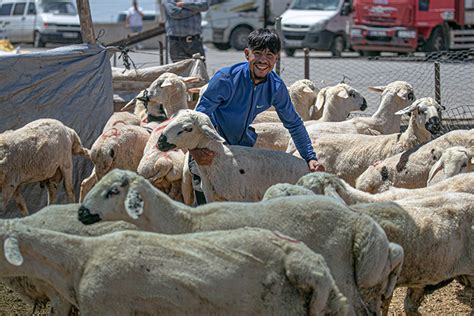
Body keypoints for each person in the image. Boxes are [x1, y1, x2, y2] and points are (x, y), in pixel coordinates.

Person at [189, 28, 324, 205]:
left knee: (241, 206)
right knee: (208, 207)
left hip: (242, 150)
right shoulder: (226, 79)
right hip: (209, 149)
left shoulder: (275, 87)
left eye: (269, 55)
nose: (263, 60)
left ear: (276, 58)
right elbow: (198, 118)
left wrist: (310, 157)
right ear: (247, 54)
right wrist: (196, 151)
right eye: (258, 53)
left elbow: (294, 123)